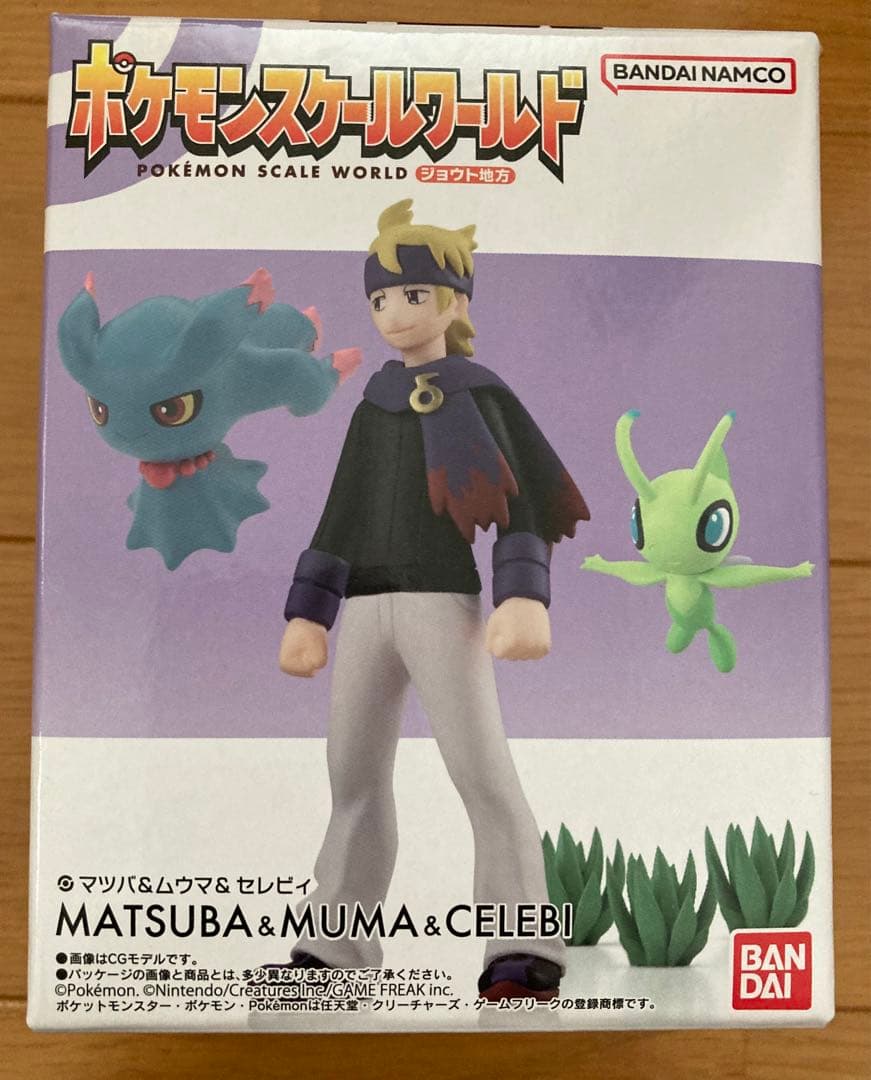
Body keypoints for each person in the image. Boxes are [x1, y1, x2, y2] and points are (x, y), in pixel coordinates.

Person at [278, 199, 589, 1001]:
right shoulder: (374, 403)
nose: (393, 313)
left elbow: (524, 501)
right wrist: (310, 610)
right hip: (366, 611)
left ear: (453, 302)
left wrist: (522, 594)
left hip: (440, 603)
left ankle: (523, 945)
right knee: (351, 777)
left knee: (480, 772)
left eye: (412, 294)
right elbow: (341, 511)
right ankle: (334, 943)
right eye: (380, 298)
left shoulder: (478, 394)